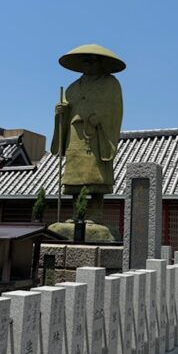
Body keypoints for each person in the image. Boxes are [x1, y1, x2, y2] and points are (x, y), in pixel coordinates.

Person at [51, 44, 126, 224]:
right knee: (74, 178)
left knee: (96, 176)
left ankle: (96, 214)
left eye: (93, 61)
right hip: (75, 136)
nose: (89, 65)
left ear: (101, 63)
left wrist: (99, 117)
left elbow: (115, 109)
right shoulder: (72, 88)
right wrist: (60, 111)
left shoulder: (110, 83)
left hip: (96, 136)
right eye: (86, 61)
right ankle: (78, 213)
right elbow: (65, 110)